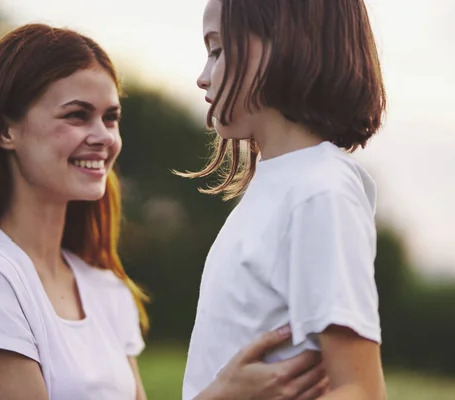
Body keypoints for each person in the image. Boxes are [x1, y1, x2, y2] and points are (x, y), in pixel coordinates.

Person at [0, 23, 326, 400]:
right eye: (76, 115)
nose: (103, 137)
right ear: (5, 130)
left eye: (110, 118)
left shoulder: (106, 289)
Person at [180, 0, 387, 399]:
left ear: (286, 44)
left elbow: (360, 388)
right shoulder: (279, 186)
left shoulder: (320, 191)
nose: (203, 77)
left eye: (218, 50)